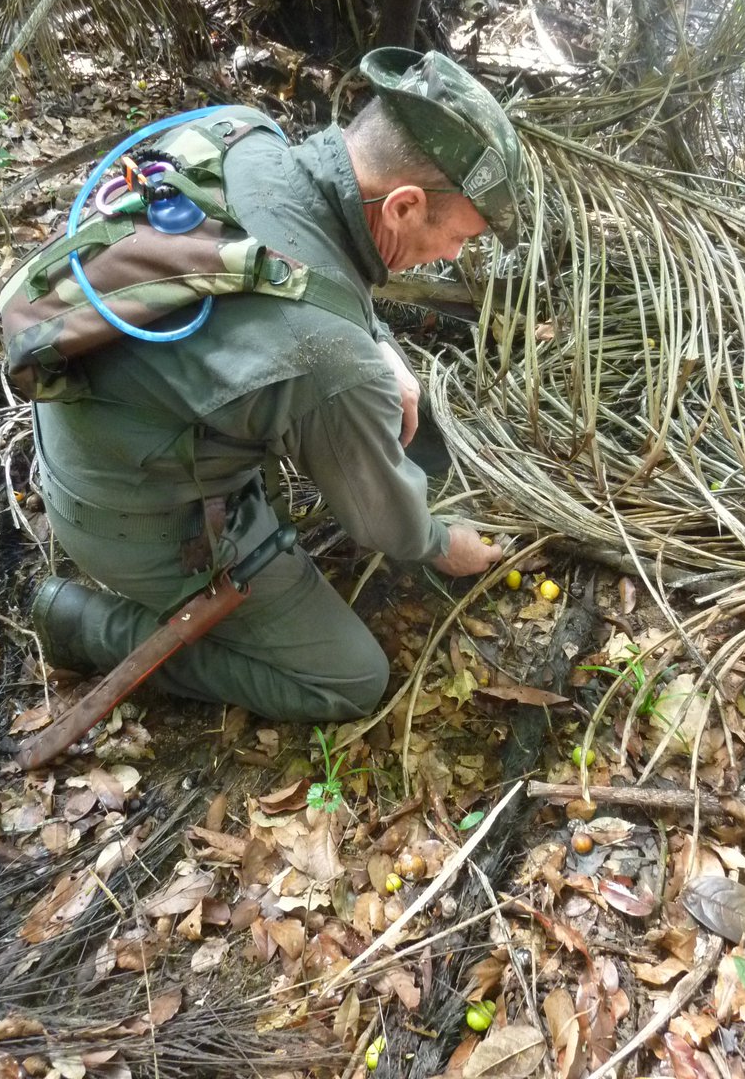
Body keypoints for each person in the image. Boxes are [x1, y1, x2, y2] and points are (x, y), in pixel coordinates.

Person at [30, 47, 524, 723]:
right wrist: (440, 543)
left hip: (88, 423)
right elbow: (383, 521)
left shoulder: (242, 133)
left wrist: (378, 341)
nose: (453, 258)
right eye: (458, 237)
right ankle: (84, 622)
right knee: (349, 678)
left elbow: (295, 258)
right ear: (405, 206)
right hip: (133, 513)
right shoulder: (330, 358)